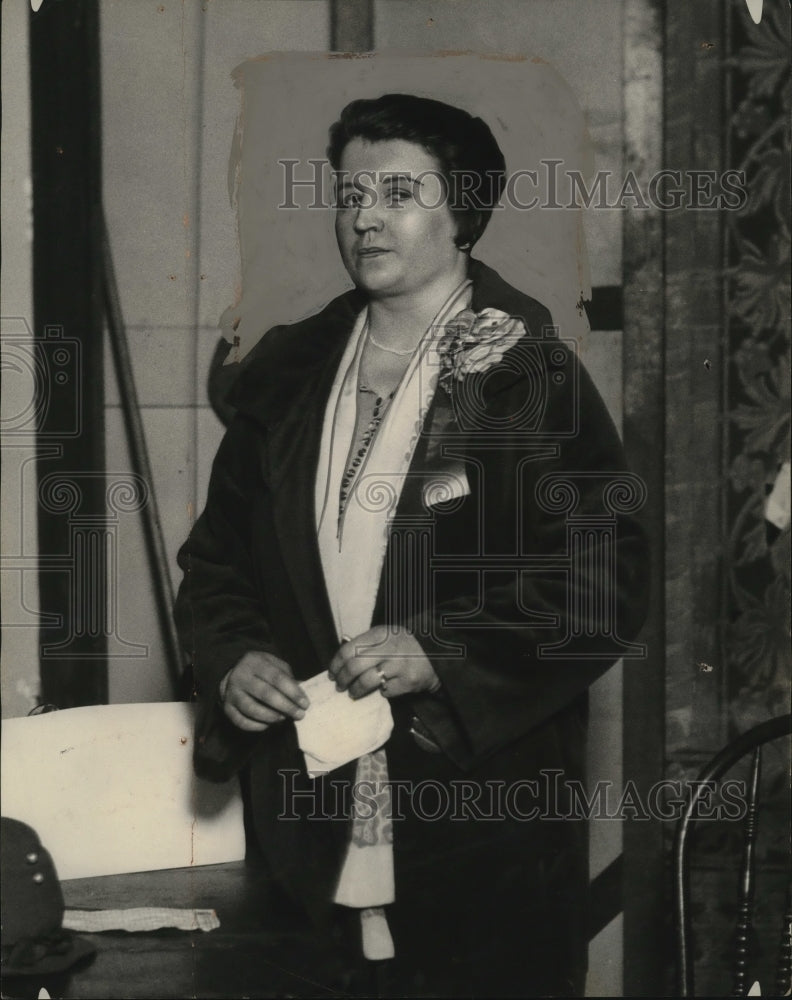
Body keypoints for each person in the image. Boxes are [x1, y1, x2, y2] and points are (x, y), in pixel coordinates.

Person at [174, 93, 650, 997]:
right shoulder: (290, 369)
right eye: (350, 193)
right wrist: (232, 655)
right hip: (307, 814)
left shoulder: (526, 372)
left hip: (479, 819)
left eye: (398, 191)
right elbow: (218, 560)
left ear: (463, 208)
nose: (364, 216)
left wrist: (442, 653)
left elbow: (605, 585)